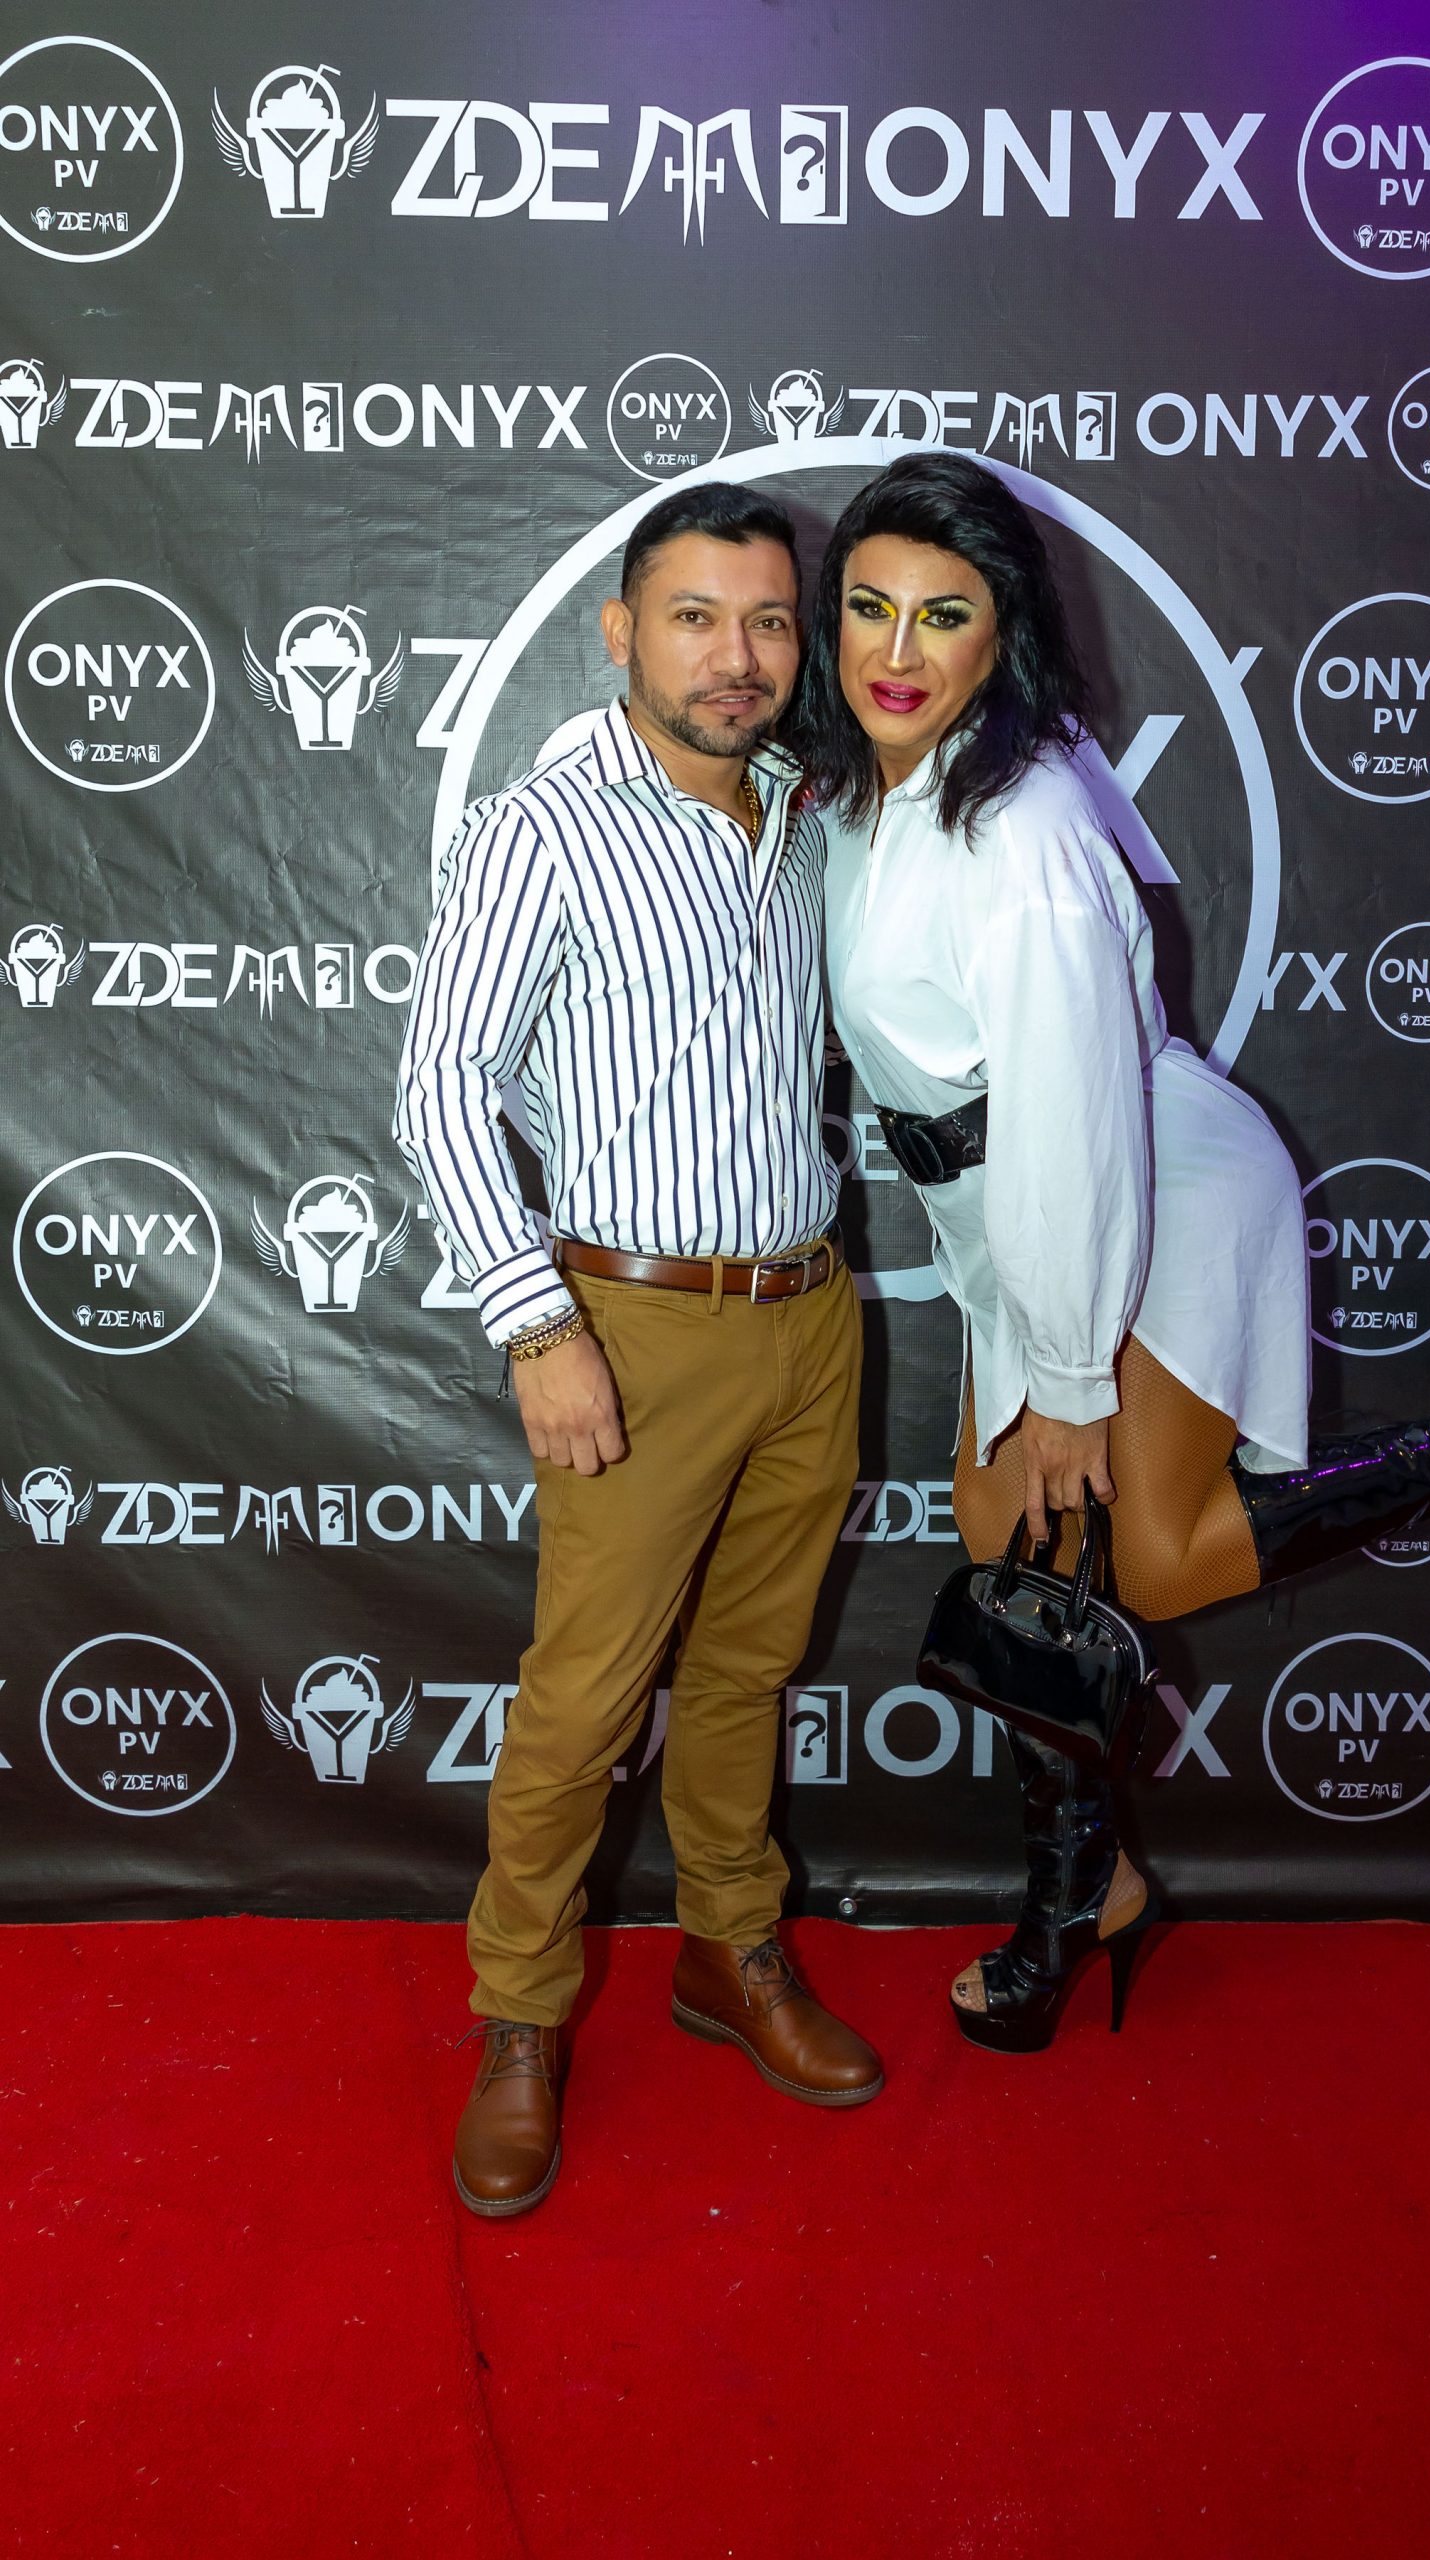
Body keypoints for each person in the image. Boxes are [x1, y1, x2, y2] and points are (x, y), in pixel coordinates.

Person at [796, 450, 1430, 2055]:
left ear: (1005, 634)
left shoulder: (1021, 831)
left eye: (945, 614)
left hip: (1143, 1190)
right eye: (869, 607)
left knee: (1143, 1559)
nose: (897, 651)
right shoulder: (870, 780)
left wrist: (1072, 1377)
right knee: (1012, 1556)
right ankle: (1096, 1887)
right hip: (1008, 1212)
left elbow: (1075, 1117)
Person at [396, 482, 882, 2221]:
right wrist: (539, 1327)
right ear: (622, 631)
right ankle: (522, 2016)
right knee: (588, 1699)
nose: (736, 656)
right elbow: (439, 1086)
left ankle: (727, 1952)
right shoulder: (545, 827)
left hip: (813, 1314)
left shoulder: (806, 813)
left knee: (749, 1671)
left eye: (768, 621)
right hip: (631, 1320)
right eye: (695, 617)